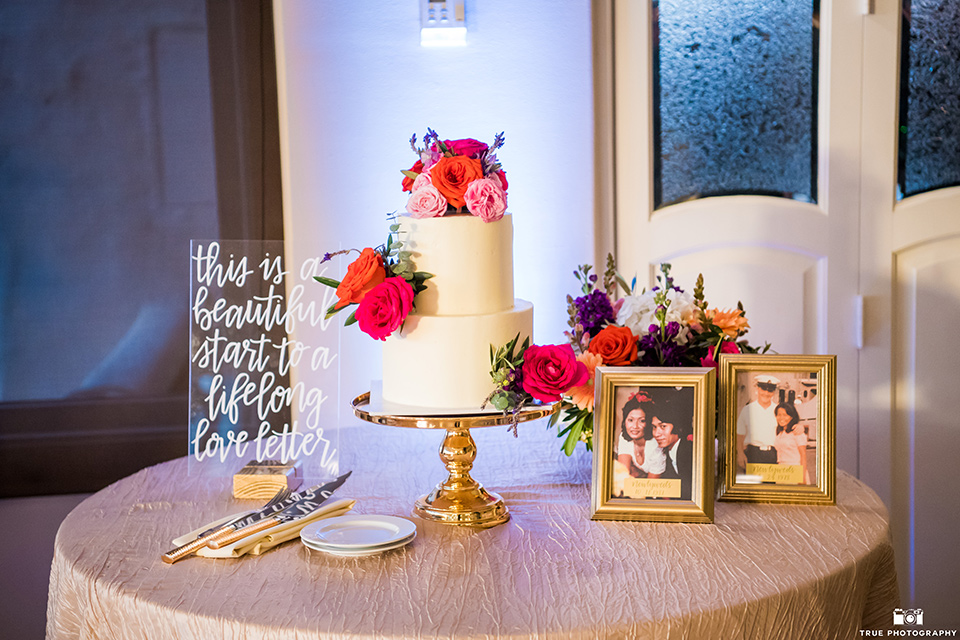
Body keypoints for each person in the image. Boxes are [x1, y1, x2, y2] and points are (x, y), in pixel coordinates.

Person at [615, 391, 666, 490]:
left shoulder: (655, 445)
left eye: (642, 420)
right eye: (630, 420)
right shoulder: (624, 438)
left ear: (648, 422)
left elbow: (651, 488)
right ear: (625, 421)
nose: (635, 426)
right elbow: (623, 478)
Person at [650, 392, 694, 500]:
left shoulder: (689, 451)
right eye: (654, 427)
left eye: (663, 426)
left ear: (678, 427)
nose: (656, 433)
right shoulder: (667, 452)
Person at [735, 374, 780, 470]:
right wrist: (740, 455)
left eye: (770, 390)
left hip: (773, 454)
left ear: (774, 392)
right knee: (752, 484)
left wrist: (799, 428)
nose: (766, 393)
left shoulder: (778, 409)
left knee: (770, 484)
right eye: (763, 389)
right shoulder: (747, 410)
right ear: (757, 388)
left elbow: (789, 426)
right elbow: (740, 434)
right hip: (752, 454)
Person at [773, 402, 809, 484]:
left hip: (794, 470)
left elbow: (803, 456)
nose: (781, 418)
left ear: (792, 417)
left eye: (785, 415)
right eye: (779, 415)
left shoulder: (797, 432)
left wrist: (802, 478)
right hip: (781, 471)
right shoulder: (780, 433)